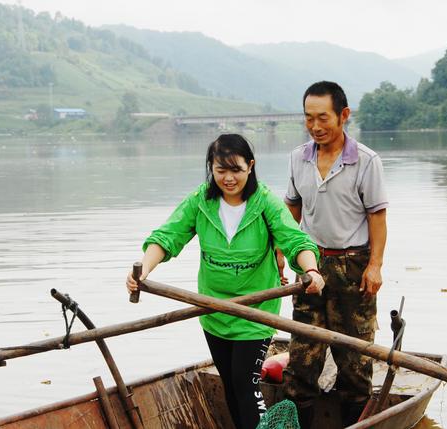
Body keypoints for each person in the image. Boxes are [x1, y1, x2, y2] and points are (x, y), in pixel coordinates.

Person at [126, 134, 324, 429]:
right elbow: (168, 236)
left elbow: (295, 240)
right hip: (213, 309)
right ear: (211, 168)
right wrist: (142, 272)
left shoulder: (265, 202)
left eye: (236, 170)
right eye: (221, 170)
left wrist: (312, 271)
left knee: (246, 385)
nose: (228, 178)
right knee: (231, 386)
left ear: (250, 167)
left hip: (255, 311)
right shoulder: (200, 201)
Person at [281, 81, 388, 428]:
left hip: (352, 266)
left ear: (343, 115)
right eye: (309, 118)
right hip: (310, 264)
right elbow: (291, 211)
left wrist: (375, 266)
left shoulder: (366, 161)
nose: (315, 126)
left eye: (322, 117)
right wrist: (282, 252)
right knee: (302, 358)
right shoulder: (298, 158)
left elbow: (377, 217)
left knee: (354, 360)